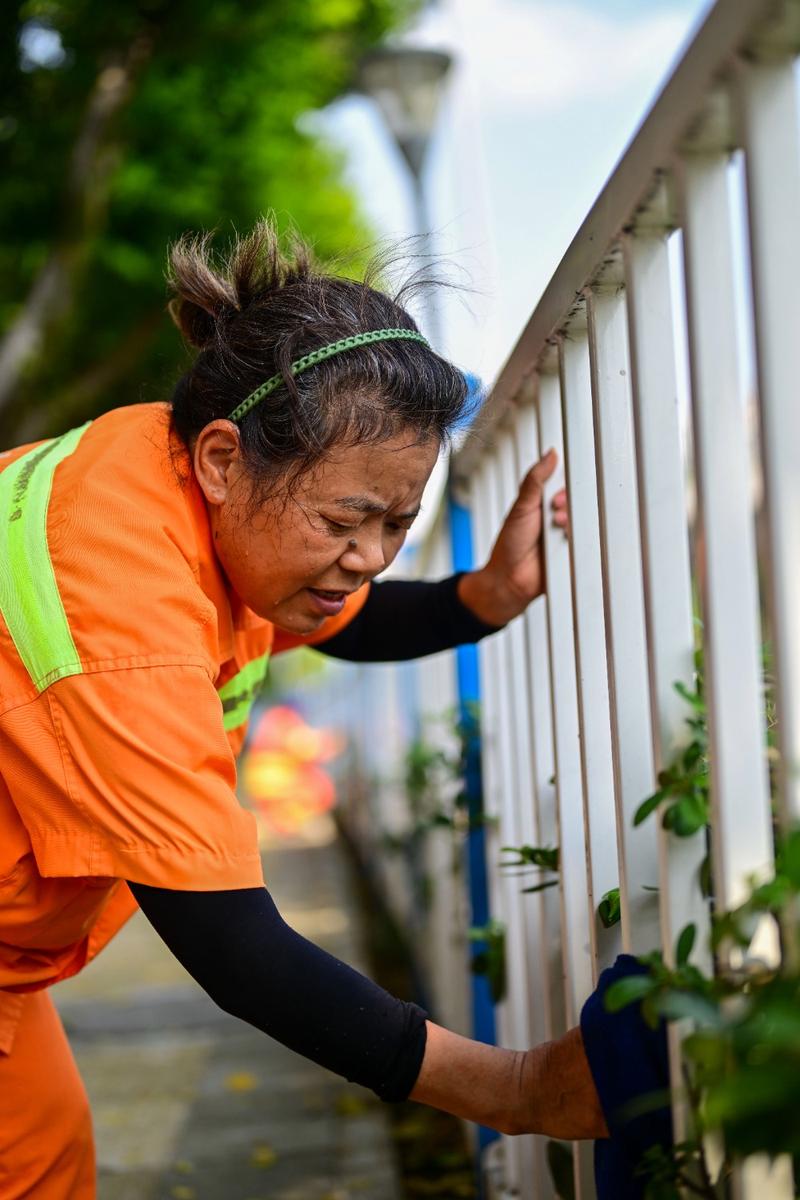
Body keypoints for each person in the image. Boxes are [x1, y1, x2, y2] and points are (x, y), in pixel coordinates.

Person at [0, 221, 605, 1200]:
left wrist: (481, 596)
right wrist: (516, 1088)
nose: (370, 558)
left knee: (44, 1167)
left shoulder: (168, 483)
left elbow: (329, 617)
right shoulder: (123, 609)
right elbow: (234, 949)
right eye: (342, 521)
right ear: (222, 458)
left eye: (395, 522)